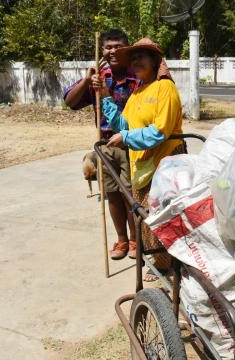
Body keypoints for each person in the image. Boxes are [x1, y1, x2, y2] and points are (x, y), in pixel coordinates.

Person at [96, 38, 184, 282]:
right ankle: (158, 258)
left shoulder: (164, 88)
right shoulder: (138, 91)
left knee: (162, 215)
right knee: (145, 216)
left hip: (165, 162)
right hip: (142, 162)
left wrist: (125, 137)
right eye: (132, 58)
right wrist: (105, 98)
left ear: (155, 61)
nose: (135, 61)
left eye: (141, 57)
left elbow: (160, 131)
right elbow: (124, 124)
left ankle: (166, 264)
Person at [63, 29, 139, 260]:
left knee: (131, 195)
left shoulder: (138, 75)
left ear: (127, 48)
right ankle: (122, 240)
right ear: (102, 50)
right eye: (108, 47)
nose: (113, 50)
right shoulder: (98, 76)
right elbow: (70, 101)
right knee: (112, 194)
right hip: (104, 143)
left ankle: (136, 240)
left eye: (118, 46)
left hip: (131, 143)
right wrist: (87, 80)